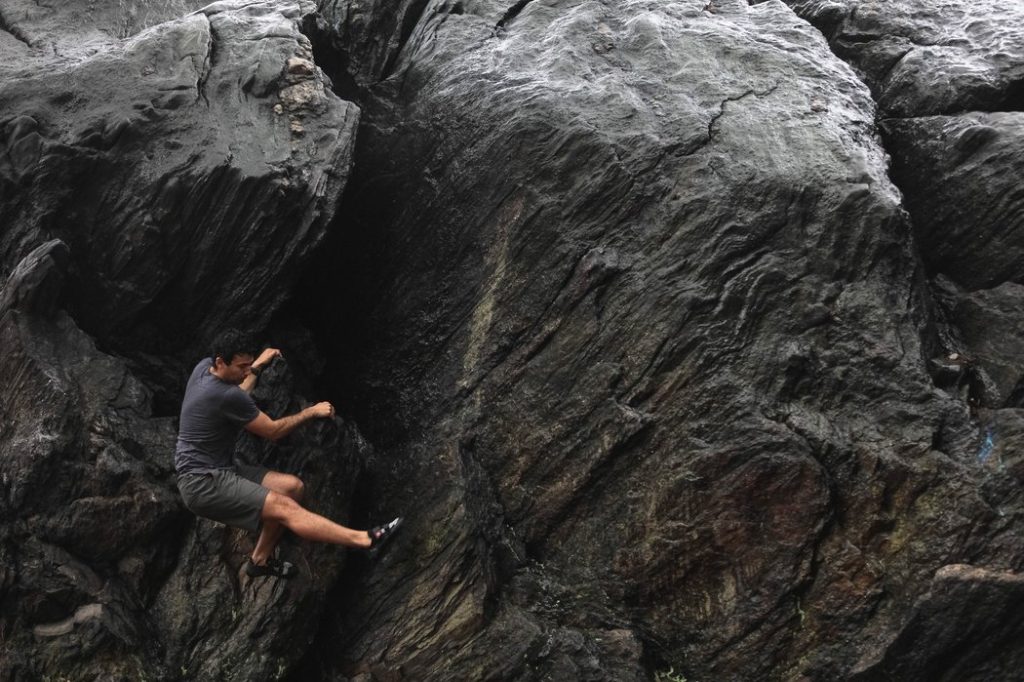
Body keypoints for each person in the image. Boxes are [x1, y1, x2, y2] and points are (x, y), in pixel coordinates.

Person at [174, 329, 401, 578]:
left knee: (292, 488)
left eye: (248, 365)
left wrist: (258, 365)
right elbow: (273, 431)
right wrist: (310, 412)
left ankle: (259, 561)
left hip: (218, 468)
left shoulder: (203, 369)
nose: (246, 372)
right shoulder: (223, 395)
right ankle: (365, 539)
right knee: (285, 507)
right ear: (220, 362)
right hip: (202, 483)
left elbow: (238, 394)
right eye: (242, 367)